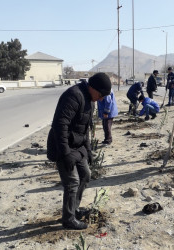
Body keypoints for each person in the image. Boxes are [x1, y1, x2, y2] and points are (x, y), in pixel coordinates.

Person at [47, 72, 111, 230]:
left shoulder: (90, 99)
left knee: (85, 175)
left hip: (78, 144)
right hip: (63, 145)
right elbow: (59, 125)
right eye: (101, 94)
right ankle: (68, 219)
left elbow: (85, 129)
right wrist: (65, 153)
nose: (101, 98)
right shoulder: (73, 96)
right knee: (72, 181)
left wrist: (88, 150)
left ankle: (73, 209)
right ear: (93, 88)